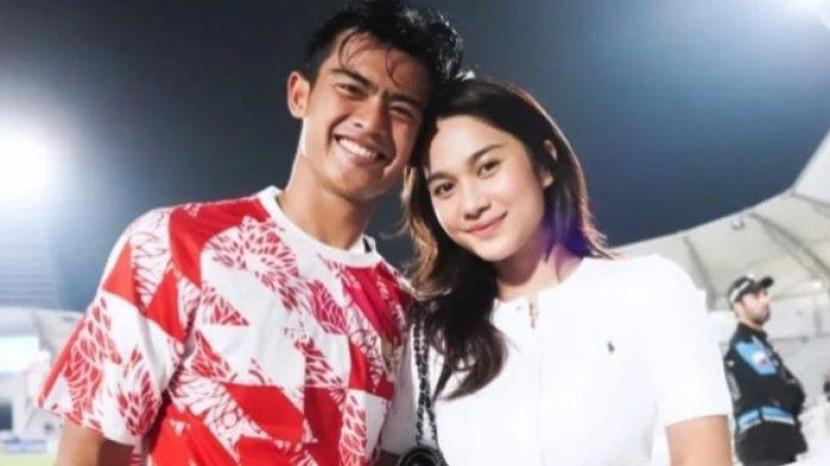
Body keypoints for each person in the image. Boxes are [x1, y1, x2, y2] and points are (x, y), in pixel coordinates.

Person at [37, 2, 463, 465]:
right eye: (351, 89)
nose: (372, 121)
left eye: (401, 109)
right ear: (300, 95)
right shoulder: (173, 245)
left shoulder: (406, 314)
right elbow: (92, 446)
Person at [379, 79, 732, 465]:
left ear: (545, 162)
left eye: (488, 167)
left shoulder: (651, 290)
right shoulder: (428, 336)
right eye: (445, 187)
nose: (471, 204)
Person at [723, 274, 808, 466]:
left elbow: (797, 391)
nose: (765, 300)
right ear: (738, 307)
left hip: (778, 444)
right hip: (764, 446)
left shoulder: (759, 343)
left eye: (764, 294)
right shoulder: (745, 344)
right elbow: (784, 391)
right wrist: (791, 391)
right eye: (755, 296)